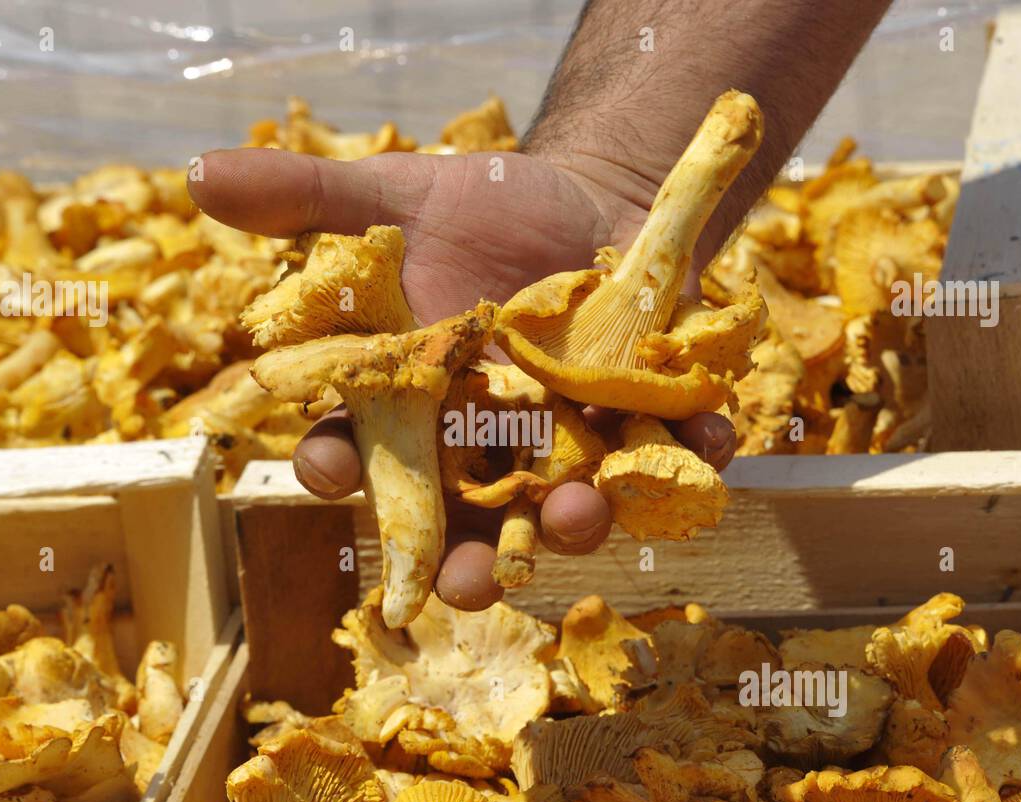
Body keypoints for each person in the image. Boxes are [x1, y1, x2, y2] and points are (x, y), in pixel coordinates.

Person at [190, 0, 893, 611]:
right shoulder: (522, 335)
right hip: (524, 364)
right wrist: (603, 176)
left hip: (567, 364)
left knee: (563, 501)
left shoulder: (544, 340)